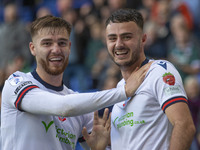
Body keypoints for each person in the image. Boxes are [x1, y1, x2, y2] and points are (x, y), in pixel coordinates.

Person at [1, 15, 151, 150]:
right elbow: (63, 106)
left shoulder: (77, 105)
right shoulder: (16, 83)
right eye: (47, 43)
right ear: (33, 49)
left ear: (69, 47)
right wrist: (123, 92)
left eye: (62, 43)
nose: (56, 49)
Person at [82, 8, 196, 150]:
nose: (118, 44)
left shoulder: (159, 71)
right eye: (112, 38)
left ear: (143, 39)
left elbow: (184, 125)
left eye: (126, 37)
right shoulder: (120, 88)